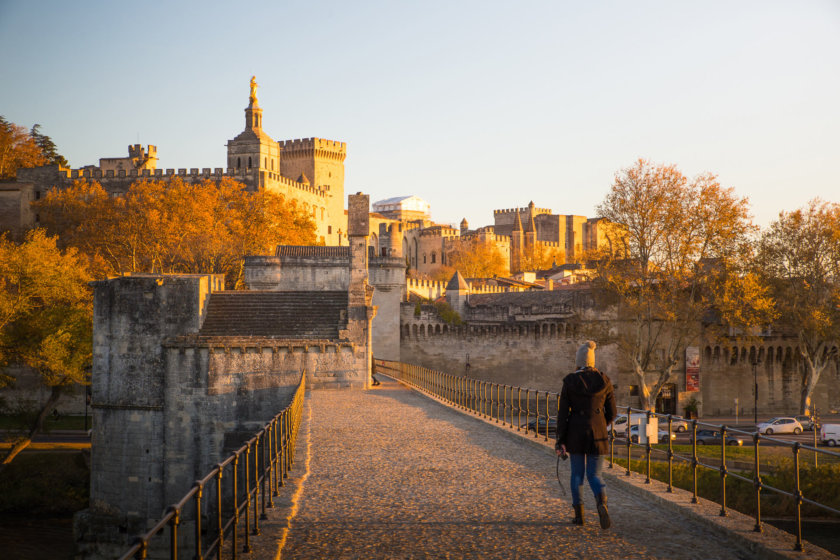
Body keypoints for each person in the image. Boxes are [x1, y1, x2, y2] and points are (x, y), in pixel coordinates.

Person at [555, 340, 616, 529]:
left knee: (577, 475)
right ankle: (602, 504)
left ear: (578, 361)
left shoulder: (570, 381)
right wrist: (600, 423)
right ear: (592, 360)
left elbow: (563, 413)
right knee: (595, 474)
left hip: (575, 433)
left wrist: (560, 440)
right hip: (597, 432)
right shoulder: (605, 380)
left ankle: (579, 516)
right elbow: (613, 413)